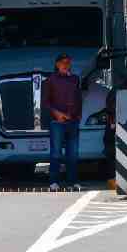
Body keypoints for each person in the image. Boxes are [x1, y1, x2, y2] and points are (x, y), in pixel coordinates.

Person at [41, 53, 83, 191]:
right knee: (56, 152)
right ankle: (54, 182)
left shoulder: (75, 79)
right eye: (63, 62)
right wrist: (57, 114)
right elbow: (45, 103)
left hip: (73, 121)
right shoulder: (50, 80)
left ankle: (73, 182)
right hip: (57, 121)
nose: (66, 65)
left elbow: (78, 98)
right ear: (57, 64)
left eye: (68, 62)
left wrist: (78, 116)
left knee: (73, 153)